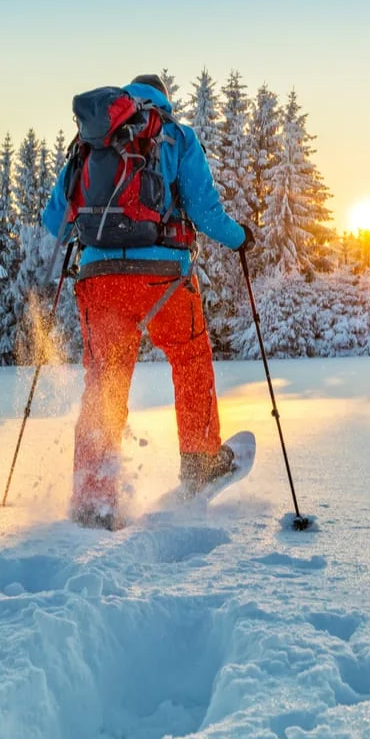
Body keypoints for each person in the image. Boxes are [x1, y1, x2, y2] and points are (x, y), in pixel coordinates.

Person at [42, 73, 253, 528]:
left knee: (105, 382)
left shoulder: (91, 142)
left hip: (99, 281)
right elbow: (203, 210)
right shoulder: (175, 135)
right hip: (164, 280)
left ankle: (94, 498)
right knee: (190, 357)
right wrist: (240, 239)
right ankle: (199, 463)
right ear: (164, 100)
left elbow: (53, 219)